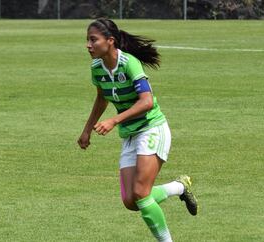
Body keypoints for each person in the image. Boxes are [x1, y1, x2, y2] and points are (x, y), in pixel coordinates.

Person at [77, 18, 198, 242]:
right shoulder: (97, 68)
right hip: (131, 134)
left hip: (152, 128)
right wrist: (87, 130)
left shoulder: (129, 63)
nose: (88, 45)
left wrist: (114, 121)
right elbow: (102, 97)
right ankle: (179, 187)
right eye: (88, 40)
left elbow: (147, 101)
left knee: (141, 194)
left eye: (93, 40)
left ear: (110, 41)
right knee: (131, 201)